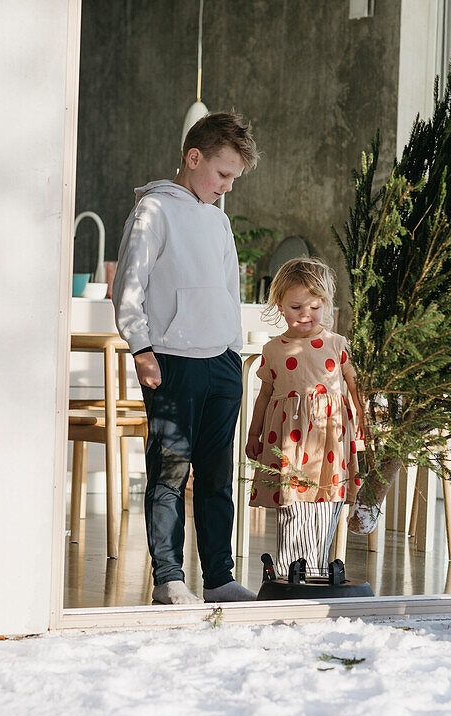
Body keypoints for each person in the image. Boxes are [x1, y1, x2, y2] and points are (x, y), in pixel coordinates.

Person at [112, 112, 260, 605]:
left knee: (218, 478)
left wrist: (232, 351)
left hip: (220, 363)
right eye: (222, 174)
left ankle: (219, 578)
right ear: (193, 158)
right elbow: (127, 288)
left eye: (234, 179)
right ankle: (169, 579)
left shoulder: (217, 218)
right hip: (172, 360)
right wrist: (141, 348)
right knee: (170, 473)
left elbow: (227, 289)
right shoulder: (154, 211)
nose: (227, 187)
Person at [245, 258, 367, 575]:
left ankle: (314, 569)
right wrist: (253, 434)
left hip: (330, 440)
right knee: (293, 506)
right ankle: (291, 572)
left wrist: (365, 423)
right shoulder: (273, 350)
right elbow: (264, 396)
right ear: (280, 305)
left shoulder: (338, 345)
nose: (305, 315)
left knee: (326, 504)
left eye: (314, 307)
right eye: (296, 307)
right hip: (288, 443)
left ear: (326, 304)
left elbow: (355, 386)